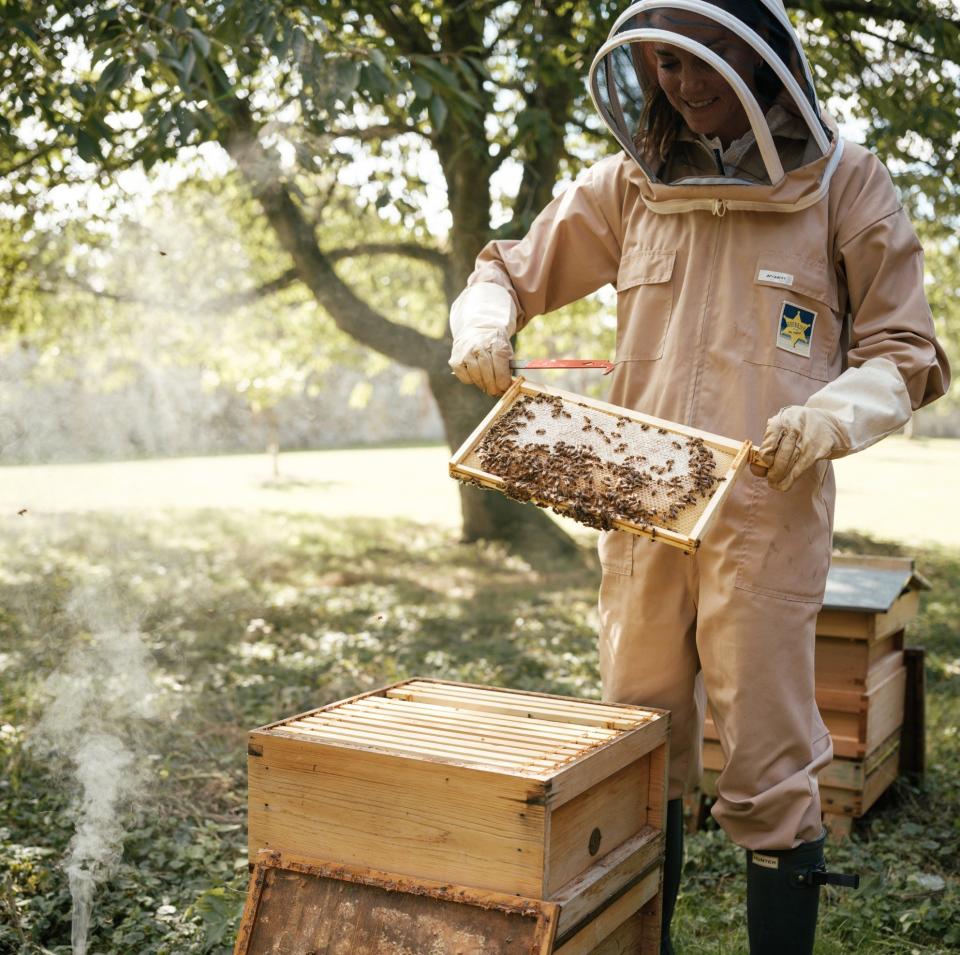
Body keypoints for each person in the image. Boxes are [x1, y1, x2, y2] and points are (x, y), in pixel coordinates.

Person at [447, 1, 950, 952]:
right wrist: (482, 325)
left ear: (764, 57)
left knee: (766, 758)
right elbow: (508, 272)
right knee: (637, 740)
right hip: (636, 502)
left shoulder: (847, 184)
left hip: (765, 511)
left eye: (707, 56)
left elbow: (907, 351)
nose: (685, 83)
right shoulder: (629, 188)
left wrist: (830, 416)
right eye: (665, 64)